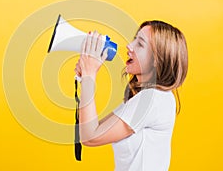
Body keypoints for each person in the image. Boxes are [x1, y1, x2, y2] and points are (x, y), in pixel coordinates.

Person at [74, 21, 188, 171]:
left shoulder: (153, 99)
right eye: (134, 39)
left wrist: (90, 75)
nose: (129, 46)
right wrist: (85, 78)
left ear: (157, 60)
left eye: (140, 44)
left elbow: (90, 137)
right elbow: (91, 127)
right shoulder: (148, 98)